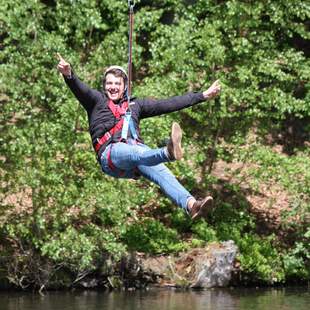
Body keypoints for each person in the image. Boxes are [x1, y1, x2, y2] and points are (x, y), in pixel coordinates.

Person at [56, 53, 221, 220]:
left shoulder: (136, 106)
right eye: (109, 83)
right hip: (111, 155)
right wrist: (69, 74)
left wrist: (202, 95)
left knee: (163, 174)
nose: (112, 87)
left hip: (136, 161)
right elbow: (79, 88)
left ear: (125, 86)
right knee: (137, 151)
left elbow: (168, 104)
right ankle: (167, 153)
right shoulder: (97, 101)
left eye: (117, 84)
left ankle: (192, 205)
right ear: (104, 86)